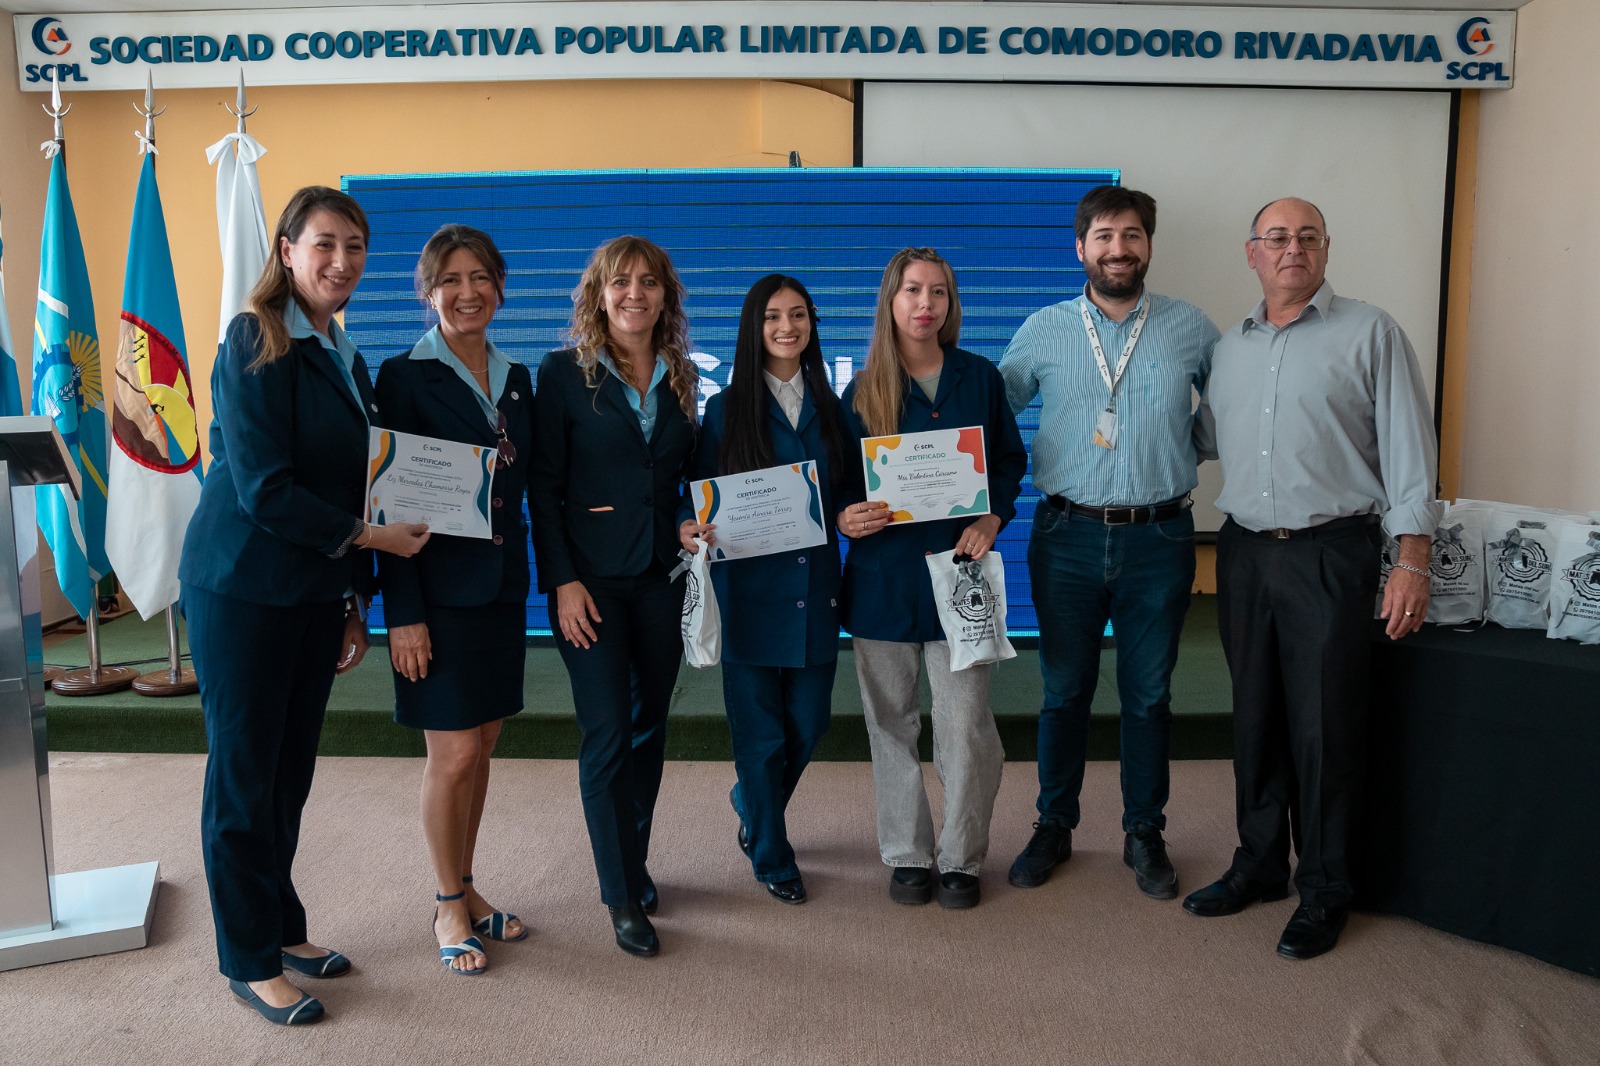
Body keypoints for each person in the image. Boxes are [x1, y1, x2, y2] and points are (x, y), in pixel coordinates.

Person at [180, 186, 430, 1025]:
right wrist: (373, 539)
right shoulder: (257, 335)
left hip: (313, 591)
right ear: (287, 251)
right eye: (324, 244)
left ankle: (282, 928)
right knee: (244, 776)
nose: (341, 261)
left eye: (355, 246)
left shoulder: (343, 353)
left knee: (287, 775)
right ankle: (249, 960)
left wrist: (351, 599)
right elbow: (265, 489)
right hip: (242, 588)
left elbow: (349, 479)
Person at [1188, 197, 1440, 960]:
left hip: (1332, 553)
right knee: (1256, 717)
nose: (1291, 248)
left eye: (1307, 237)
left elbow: (1410, 452)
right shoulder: (1228, 349)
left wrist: (1412, 560)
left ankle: (1326, 888)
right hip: (1244, 553)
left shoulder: (1372, 333)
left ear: (1326, 249)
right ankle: (1260, 864)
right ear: (1252, 253)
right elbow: (1202, 439)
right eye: (1277, 237)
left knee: (1325, 725)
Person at [998, 186, 1219, 900]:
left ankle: (1144, 831)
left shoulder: (1192, 328)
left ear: (1148, 245)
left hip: (1160, 536)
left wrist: (1179, 448)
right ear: (1080, 248)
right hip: (1065, 534)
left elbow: (1233, 409)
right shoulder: (1045, 328)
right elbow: (993, 412)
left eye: (1131, 236)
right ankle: (1053, 824)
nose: (1118, 249)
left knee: (1149, 696)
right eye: (1103, 237)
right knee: (1064, 692)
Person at [836, 247, 1027, 909]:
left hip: (961, 575)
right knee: (890, 726)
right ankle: (908, 854)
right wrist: (846, 516)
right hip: (883, 580)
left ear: (951, 303)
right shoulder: (860, 390)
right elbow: (838, 484)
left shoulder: (979, 377)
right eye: (913, 291)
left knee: (966, 725)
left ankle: (962, 857)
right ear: (890, 301)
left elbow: (1008, 461)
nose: (926, 304)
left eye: (938, 292)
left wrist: (993, 516)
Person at [528, 235, 698, 957]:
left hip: (661, 577)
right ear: (599, 294)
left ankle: (635, 858)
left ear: (666, 295)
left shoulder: (683, 372)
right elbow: (544, 487)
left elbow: (683, 477)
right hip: (588, 585)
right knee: (606, 735)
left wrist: (689, 519)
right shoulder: (564, 373)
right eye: (621, 281)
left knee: (648, 727)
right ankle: (620, 895)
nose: (636, 293)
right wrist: (562, 582)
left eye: (649, 282)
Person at [375, 225, 535, 975]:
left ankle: (468, 887)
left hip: (499, 590)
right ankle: (445, 903)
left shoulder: (517, 377)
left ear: (499, 287)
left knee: (486, 743)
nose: (468, 292)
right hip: (434, 594)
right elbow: (387, 504)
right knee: (454, 751)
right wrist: (402, 614)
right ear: (427, 291)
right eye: (450, 279)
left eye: (481, 277)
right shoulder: (402, 377)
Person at [677, 275, 850, 906]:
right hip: (748, 592)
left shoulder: (835, 405)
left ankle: (750, 800)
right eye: (773, 316)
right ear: (754, 327)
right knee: (761, 737)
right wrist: (688, 524)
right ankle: (772, 854)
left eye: (798, 315)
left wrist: (853, 514)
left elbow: (849, 491)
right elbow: (696, 488)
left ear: (812, 325)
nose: (786, 327)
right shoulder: (726, 408)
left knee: (809, 722)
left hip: (814, 589)